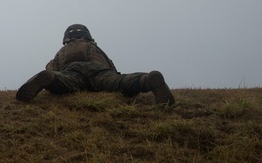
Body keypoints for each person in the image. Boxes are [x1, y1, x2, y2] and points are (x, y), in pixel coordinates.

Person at [16, 24, 176, 105]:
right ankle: (147, 80)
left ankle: (48, 79)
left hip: (72, 73)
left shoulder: (61, 51)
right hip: (99, 71)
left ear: (66, 39)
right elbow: (110, 66)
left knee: (59, 81)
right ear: (88, 36)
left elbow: (52, 67)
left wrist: (51, 74)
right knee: (120, 83)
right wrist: (114, 76)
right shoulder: (94, 47)